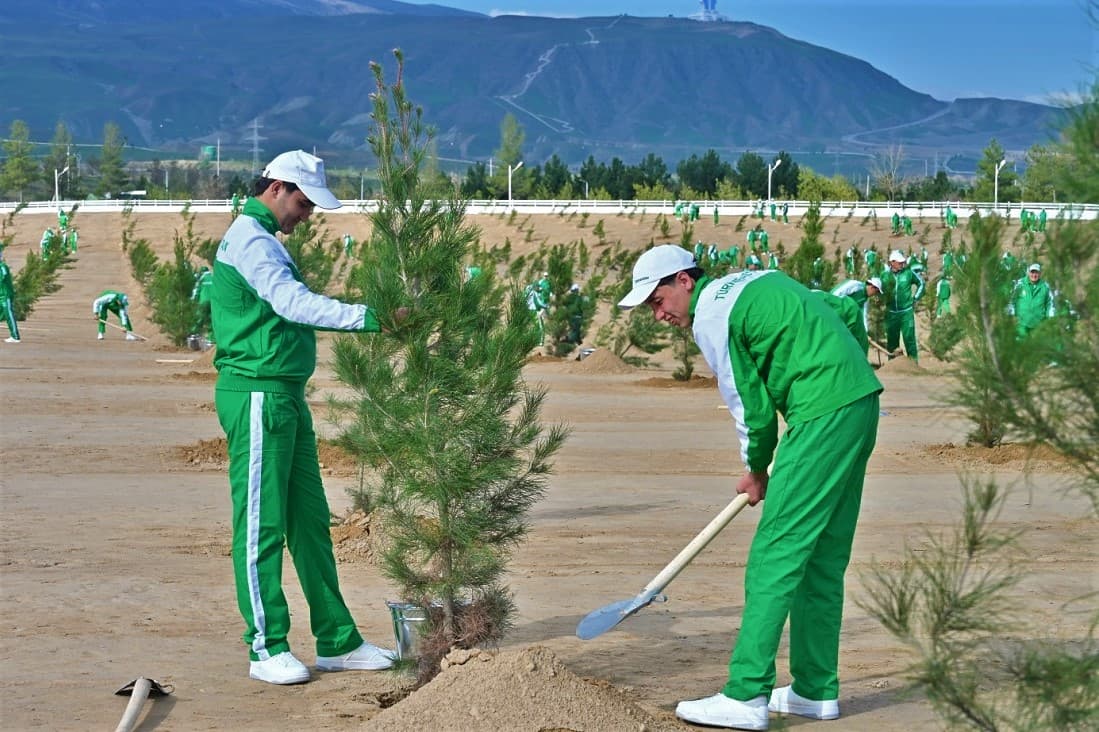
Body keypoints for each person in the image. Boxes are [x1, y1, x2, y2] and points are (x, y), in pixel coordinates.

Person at [618, 245, 882, 731]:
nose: (658, 315)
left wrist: (756, 469)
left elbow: (750, 408)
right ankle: (813, 690)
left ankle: (745, 695)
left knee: (774, 556)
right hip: (859, 402)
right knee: (821, 559)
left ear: (683, 280)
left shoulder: (712, 317)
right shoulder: (753, 279)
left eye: (657, 301)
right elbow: (839, 305)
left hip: (821, 414)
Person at [210, 150, 398, 686]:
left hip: (283, 395)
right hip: (257, 395)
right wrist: (371, 318)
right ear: (276, 188)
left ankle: (337, 640)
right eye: (303, 202)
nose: (307, 214)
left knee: (310, 524)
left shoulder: (264, 238)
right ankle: (265, 646)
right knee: (261, 526)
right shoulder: (251, 239)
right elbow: (292, 304)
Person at [881, 250, 925, 363]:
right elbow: (879, 291)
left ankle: (913, 364)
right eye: (899, 262)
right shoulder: (884, 275)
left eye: (903, 262)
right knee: (891, 341)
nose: (902, 264)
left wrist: (915, 299)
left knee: (909, 339)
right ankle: (892, 364)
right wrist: (879, 301)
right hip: (891, 313)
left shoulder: (908, 273)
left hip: (906, 312)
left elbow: (921, 283)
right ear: (892, 262)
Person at [831, 276, 882, 345]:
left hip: (843, 319)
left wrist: (865, 333)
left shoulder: (865, 300)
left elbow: (863, 315)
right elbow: (837, 293)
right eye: (876, 292)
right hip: (833, 311)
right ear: (872, 287)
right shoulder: (855, 285)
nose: (874, 294)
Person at [1008, 263, 1055, 338]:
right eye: (1032, 272)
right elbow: (1011, 300)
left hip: (1039, 325)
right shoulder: (1020, 284)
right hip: (1021, 323)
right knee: (1020, 346)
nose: (1034, 275)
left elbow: (1050, 303)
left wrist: (1049, 319)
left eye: (1036, 272)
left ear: (1040, 274)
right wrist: (1011, 315)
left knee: (1037, 347)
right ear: (1028, 272)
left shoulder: (1045, 286)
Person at [0, 247, 20, 343]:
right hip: (1, 294)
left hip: (5, 295)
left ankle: (15, 336)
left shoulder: (2, 267)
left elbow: (2, 280)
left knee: (9, 313)